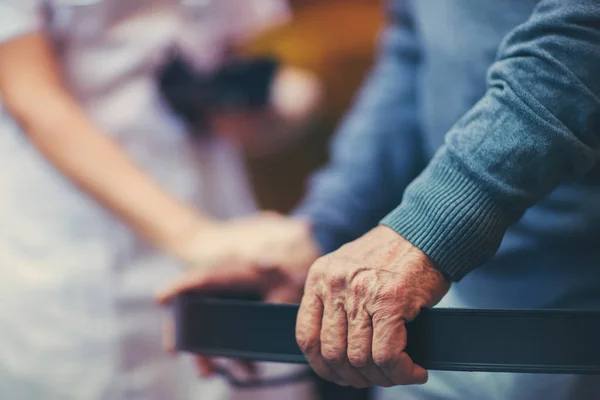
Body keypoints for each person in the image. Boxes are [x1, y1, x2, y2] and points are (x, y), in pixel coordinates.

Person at [158, 0, 600, 399]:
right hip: (438, 321)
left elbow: (585, 32)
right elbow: (416, 48)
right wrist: (325, 228)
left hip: (574, 319)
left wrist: (428, 231)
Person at [0, 1, 317, 399]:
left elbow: (220, 51)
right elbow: (33, 98)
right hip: (80, 245)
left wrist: (253, 106)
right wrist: (193, 237)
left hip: (218, 208)